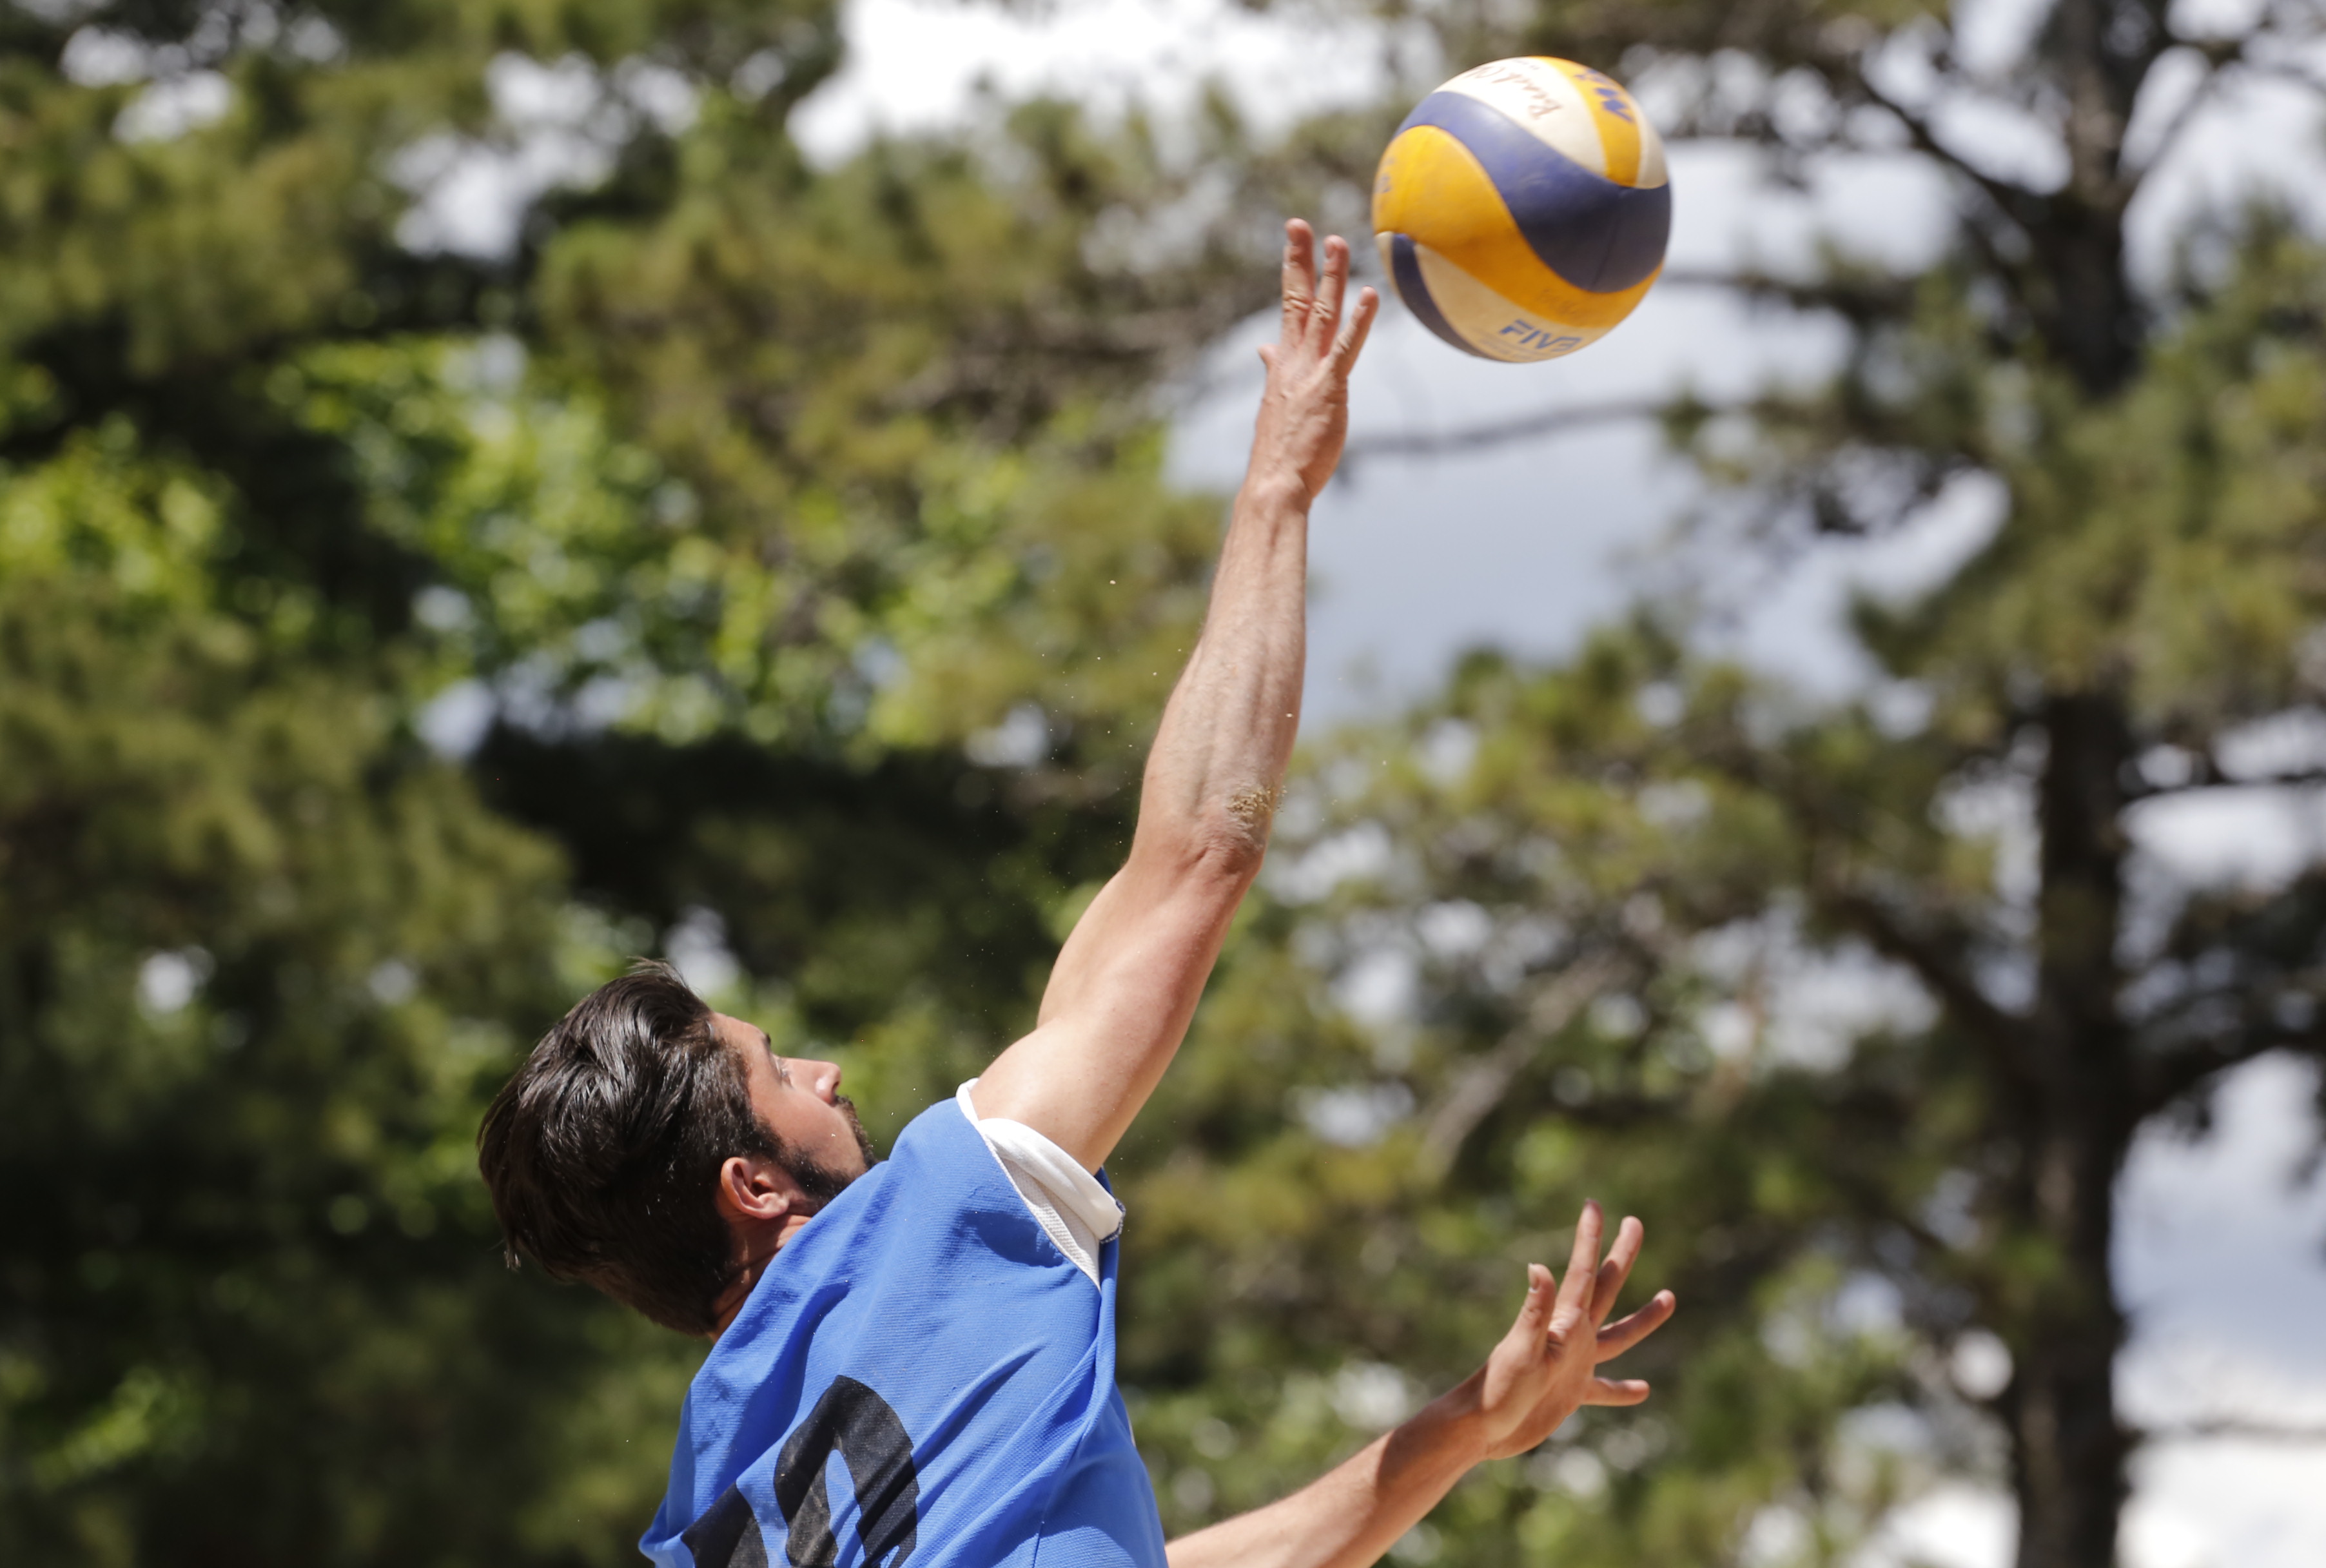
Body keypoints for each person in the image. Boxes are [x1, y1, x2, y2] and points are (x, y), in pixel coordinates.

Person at [478, 221, 1676, 1568]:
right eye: (776, 1069)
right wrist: (1279, 486)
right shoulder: (932, 1228)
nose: (825, 1070)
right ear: (752, 1184)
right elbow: (1196, 859)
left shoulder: (709, 1519)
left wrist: (1462, 1428)